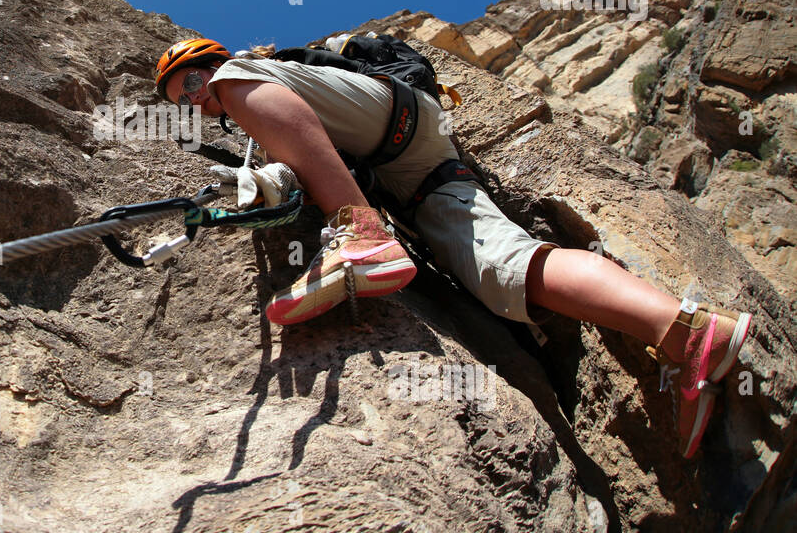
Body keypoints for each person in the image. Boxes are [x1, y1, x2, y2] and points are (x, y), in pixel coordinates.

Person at [153, 38, 753, 458]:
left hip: (391, 116)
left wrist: (268, 155)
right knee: (506, 270)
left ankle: (363, 237)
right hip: (418, 165)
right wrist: (263, 183)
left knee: (241, 85)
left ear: (212, 61)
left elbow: (295, 130)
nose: (195, 100)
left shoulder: (245, 76)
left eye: (193, 82)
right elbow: (305, 157)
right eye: (185, 100)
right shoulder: (252, 112)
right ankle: (686, 333)